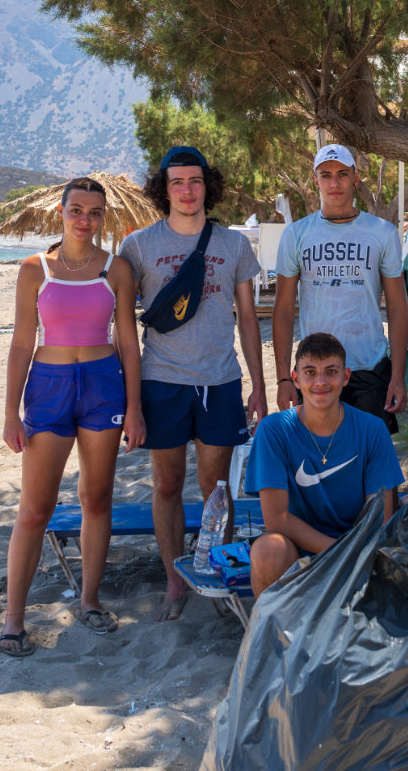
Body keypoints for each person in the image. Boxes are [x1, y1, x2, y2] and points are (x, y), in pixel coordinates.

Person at [0, 177, 145, 655]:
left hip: (104, 387)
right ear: (60, 213)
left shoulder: (116, 269)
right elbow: (22, 343)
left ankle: (90, 600)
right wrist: (10, 413)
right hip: (49, 387)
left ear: (105, 218)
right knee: (35, 509)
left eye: (95, 212)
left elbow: (127, 342)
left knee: (96, 498)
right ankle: (13, 621)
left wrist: (135, 407)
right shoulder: (34, 269)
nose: (86, 219)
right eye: (77, 210)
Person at [120, 145, 268, 622]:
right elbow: (120, 325)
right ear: (164, 188)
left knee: (216, 488)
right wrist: (131, 404)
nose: (187, 190)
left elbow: (248, 319)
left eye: (195, 181)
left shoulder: (233, 245)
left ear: (209, 185)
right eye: (177, 182)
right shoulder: (138, 246)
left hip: (220, 380)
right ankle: (173, 580)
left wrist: (259, 385)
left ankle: (216, 573)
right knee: (166, 484)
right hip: (161, 380)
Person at [247, 333, 405, 595]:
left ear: (346, 377)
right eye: (310, 372)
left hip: (360, 547)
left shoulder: (372, 429)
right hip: (299, 546)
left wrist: (352, 553)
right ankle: (275, 633)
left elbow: (382, 517)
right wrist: (338, 551)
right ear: (295, 379)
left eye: (331, 371)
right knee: (265, 551)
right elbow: (277, 520)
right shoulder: (274, 430)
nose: (320, 382)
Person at [272, 144, 408, 431]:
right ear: (315, 180)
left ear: (355, 179)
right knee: (317, 463)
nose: (334, 183)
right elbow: (283, 309)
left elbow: (397, 307)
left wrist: (398, 375)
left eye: (342, 174)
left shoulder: (382, 232)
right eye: (326, 175)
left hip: (369, 367)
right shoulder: (296, 234)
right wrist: (284, 378)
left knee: (370, 466)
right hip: (315, 373)